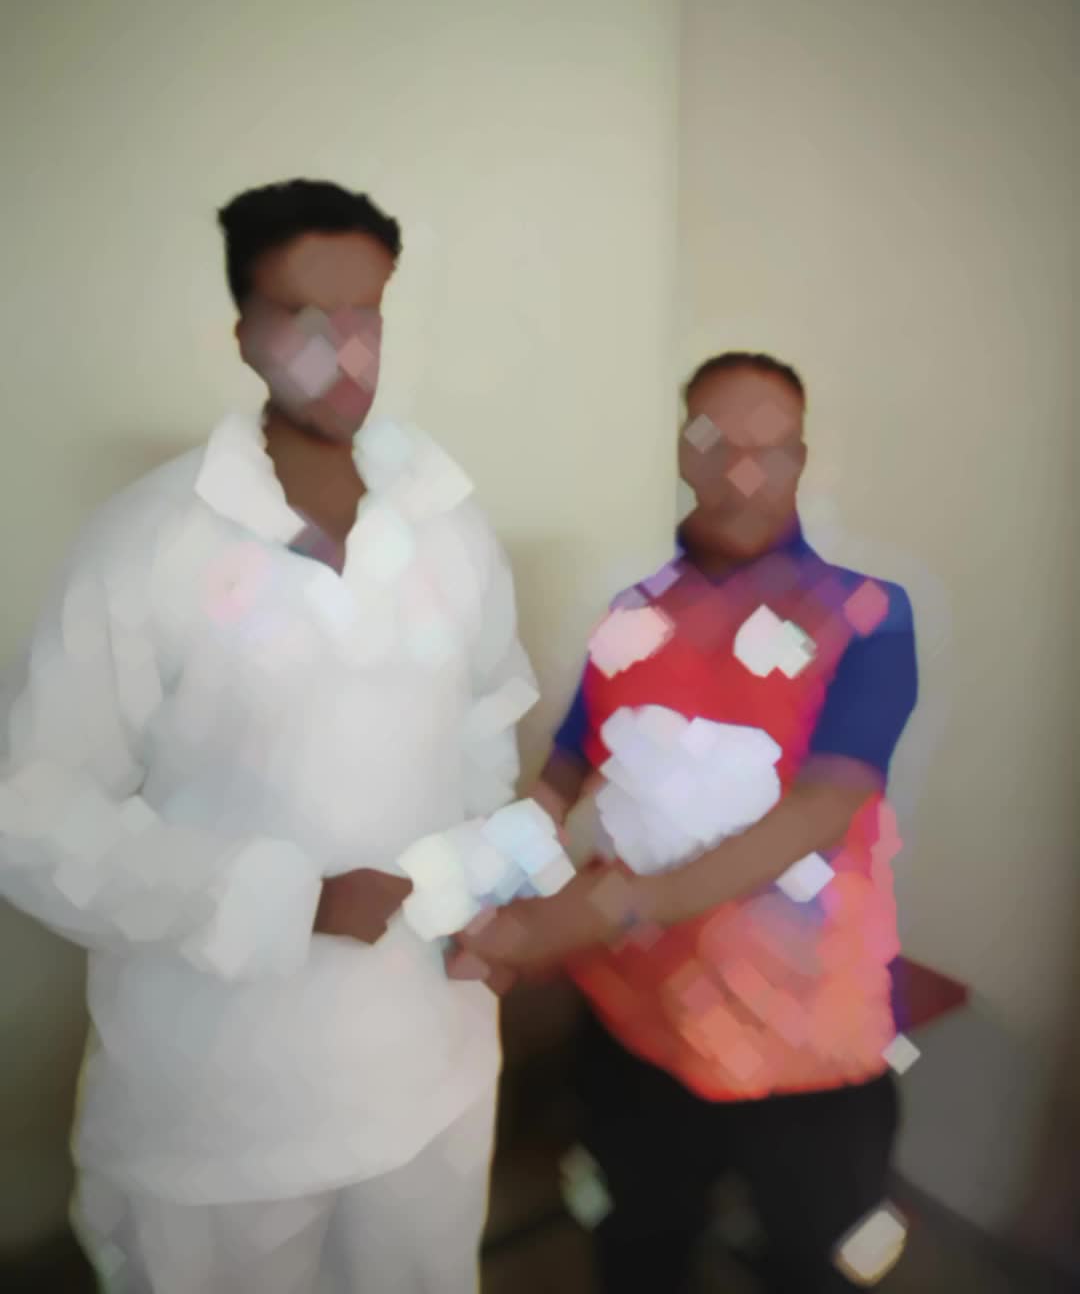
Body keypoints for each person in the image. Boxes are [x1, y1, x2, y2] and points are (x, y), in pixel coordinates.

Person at [0, 179, 538, 1293]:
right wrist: (285, 900)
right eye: (303, 319)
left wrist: (490, 889)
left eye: (365, 315)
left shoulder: (447, 522)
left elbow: (488, 723)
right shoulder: (147, 544)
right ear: (244, 333)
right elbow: (32, 817)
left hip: (431, 1070)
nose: (343, 352)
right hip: (221, 1114)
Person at [450, 352, 919, 1293]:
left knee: (819, 1272)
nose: (739, 474)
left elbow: (821, 810)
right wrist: (488, 895)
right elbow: (562, 781)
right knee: (634, 1255)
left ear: (799, 459)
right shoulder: (632, 616)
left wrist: (589, 913)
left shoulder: (868, 615)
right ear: (681, 447)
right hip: (637, 1035)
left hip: (811, 1048)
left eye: (768, 449)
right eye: (714, 443)